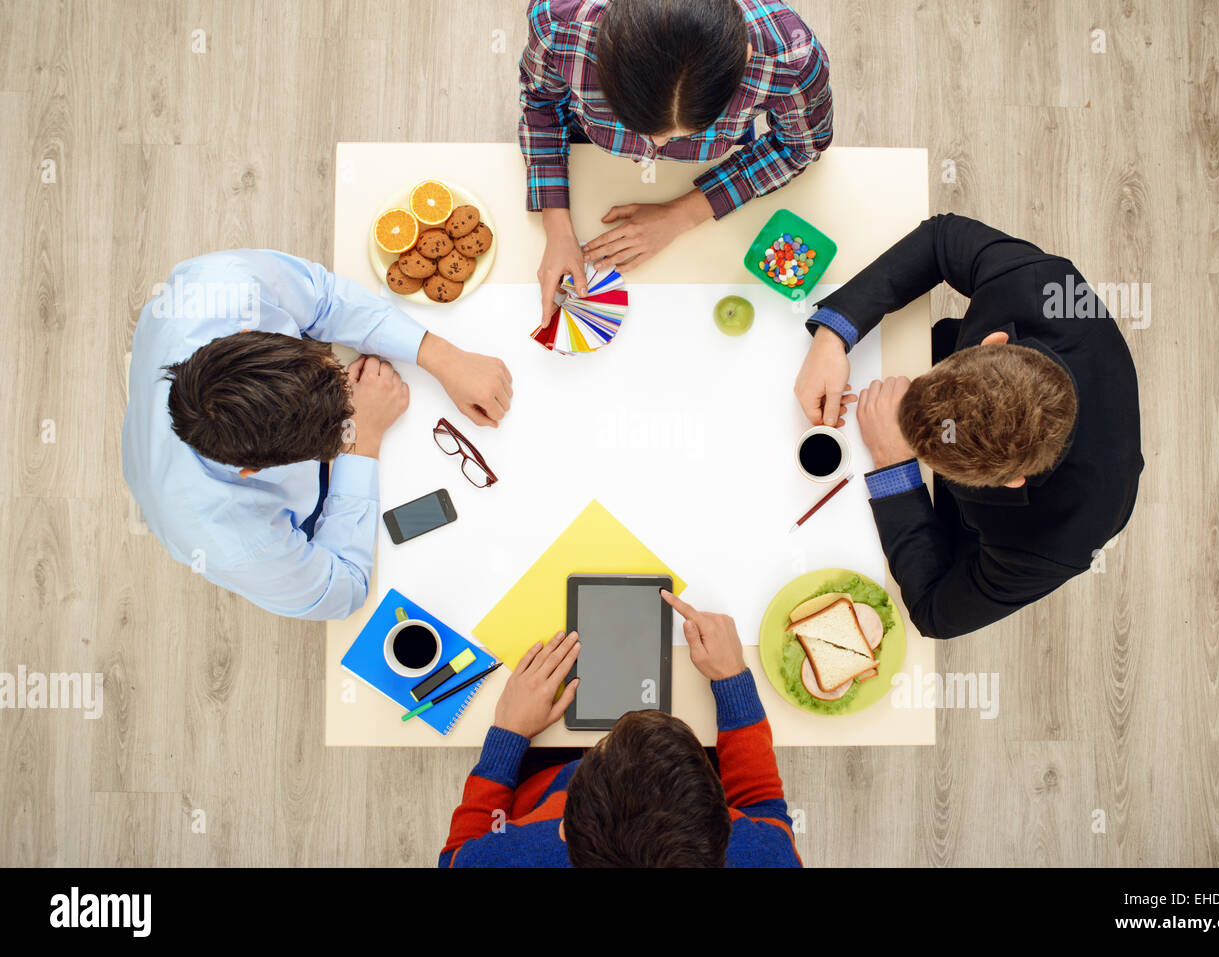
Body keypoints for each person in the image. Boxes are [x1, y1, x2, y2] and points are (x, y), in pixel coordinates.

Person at [793, 214, 1143, 639]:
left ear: (1013, 481)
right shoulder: (1043, 287)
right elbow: (941, 239)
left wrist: (894, 465)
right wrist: (833, 334)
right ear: (993, 341)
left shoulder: (1060, 542)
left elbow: (934, 614)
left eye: (927, 452)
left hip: (947, 526)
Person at [122, 249, 513, 620]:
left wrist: (441, 355)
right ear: (252, 471)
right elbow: (345, 589)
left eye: (331, 368)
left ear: (250, 329)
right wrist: (362, 439)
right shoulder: (232, 542)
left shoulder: (226, 283)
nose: (349, 382)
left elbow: (323, 298)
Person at [519, 0, 832, 325]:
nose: (655, 146)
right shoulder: (559, 23)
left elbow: (799, 146)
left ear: (744, 60)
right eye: (639, 124)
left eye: (690, 130)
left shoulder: (792, 58)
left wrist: (683, 214)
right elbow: (541, 104)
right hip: (587, 150)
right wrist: (556, 226)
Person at [439, 591, 800, 867]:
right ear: (725, 826)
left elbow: (455, 856)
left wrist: (508, 734)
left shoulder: (507, 857)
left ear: (563, 828)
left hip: (531, 785)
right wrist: (734, 681)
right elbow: (763, 809)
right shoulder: (767, 856)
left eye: (602, 749)